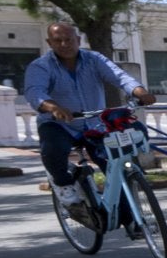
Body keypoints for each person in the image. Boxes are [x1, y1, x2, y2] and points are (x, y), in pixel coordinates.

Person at [23, 23, 156, 218]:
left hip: (95, 124)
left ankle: (131, 220)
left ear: (77, 40)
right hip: (60, 124)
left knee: (115, 164)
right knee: (52, 148)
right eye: (58, 40)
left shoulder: (94, 59)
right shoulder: (41, 66)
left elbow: (119, 76)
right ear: (49, 42)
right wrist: (53, 107)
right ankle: (64, 187)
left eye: (68, 39)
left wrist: (140, 92)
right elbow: (35, 91)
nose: (64, 44)